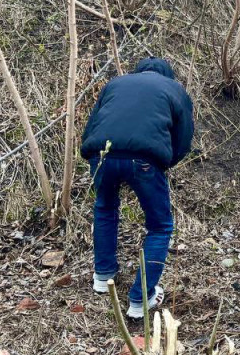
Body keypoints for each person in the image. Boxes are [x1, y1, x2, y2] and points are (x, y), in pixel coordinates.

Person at [81, 57, 194, 319]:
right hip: (144, 160)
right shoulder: (174, 89)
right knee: (160, 226)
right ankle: (140, 299)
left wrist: (93, 157)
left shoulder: (115, 83)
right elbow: (184, 137)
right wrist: (164, 162)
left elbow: (92, 125)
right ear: (168, 74)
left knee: (105, 209)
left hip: (102, 154)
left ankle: (103, 276)